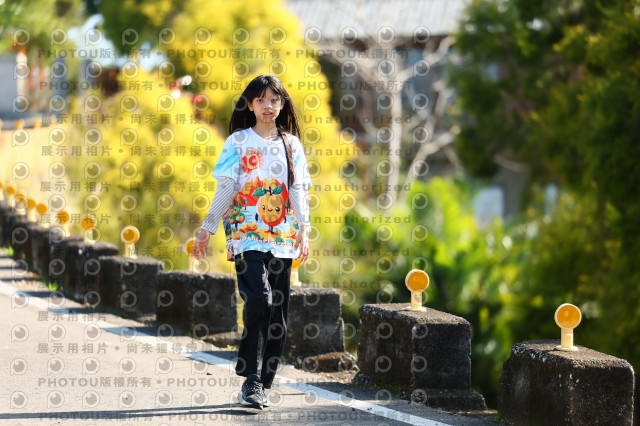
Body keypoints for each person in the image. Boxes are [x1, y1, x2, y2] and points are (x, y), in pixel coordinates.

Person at [193, 74, 312, 409]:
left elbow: (298, 189)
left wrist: (304, 229)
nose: (267, 106)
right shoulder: (238, 142)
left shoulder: (292, 145)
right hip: (245, 233)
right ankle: (251, 379)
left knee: (278, 312)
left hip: (283, 235)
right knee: (259, 298)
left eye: (274, 100)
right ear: (250, 104)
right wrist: (207, 227)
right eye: (260, 100)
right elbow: (227, 186)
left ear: (282, 104)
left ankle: (264, 380)